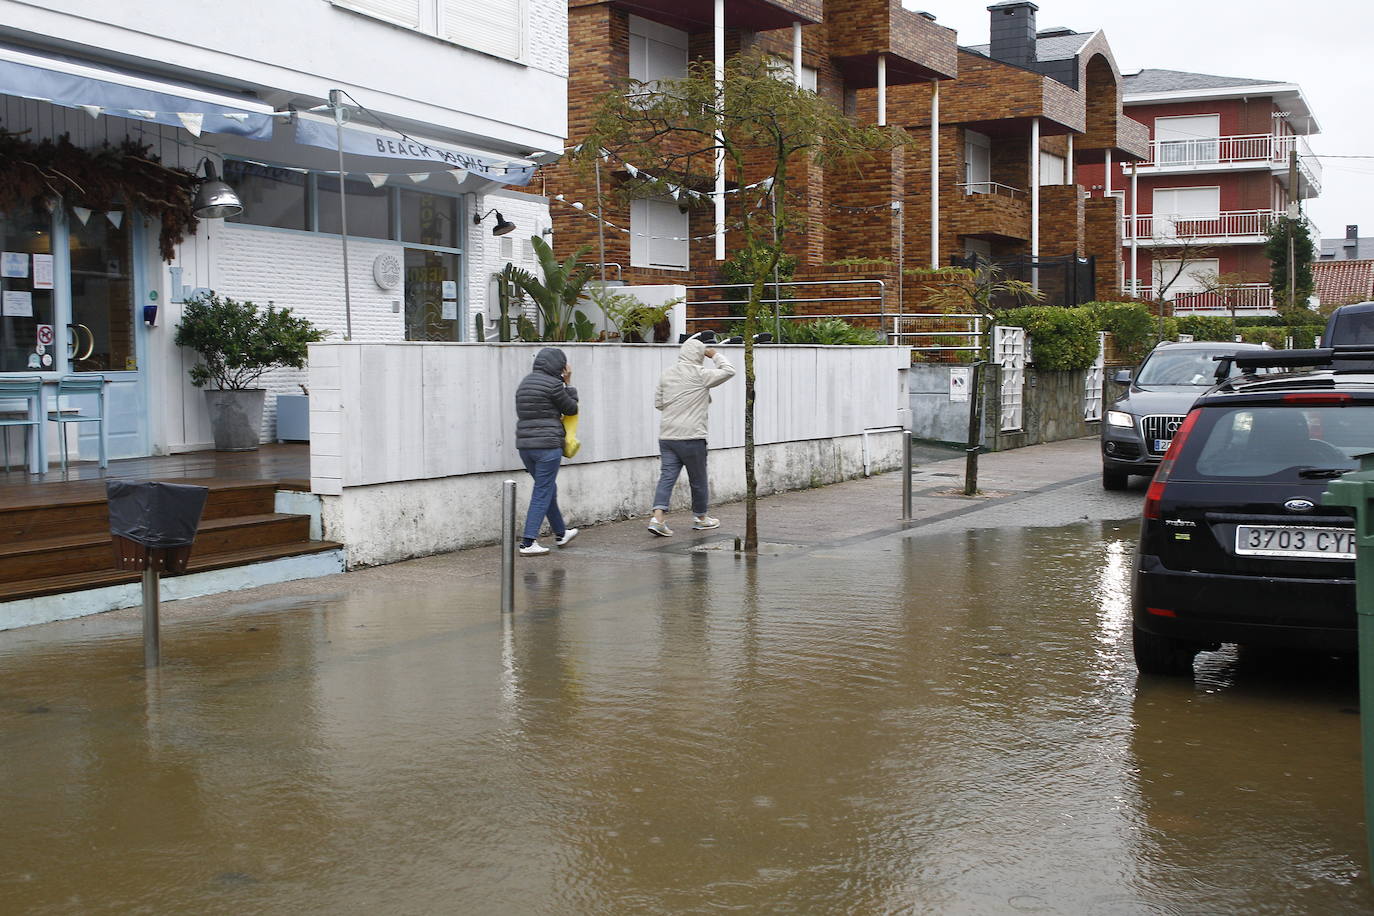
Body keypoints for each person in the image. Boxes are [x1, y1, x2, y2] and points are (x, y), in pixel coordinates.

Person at [648, 336, 736, 536]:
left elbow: (659, 404)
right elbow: (729, 371)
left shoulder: (666, 374)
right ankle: (701, 518)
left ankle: (658, 518)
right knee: (698, 479)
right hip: (692, 436)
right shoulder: (700, 374)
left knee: (667, 477)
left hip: (667, 436)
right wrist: (714, 354)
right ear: (699, 355)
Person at [514, 347, 579, 556]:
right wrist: (568, 383)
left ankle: (561, 533)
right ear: (558, 366)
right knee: (543, 491)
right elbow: (571, 408)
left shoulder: (524, 383)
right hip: (547, 446)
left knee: (547, 488)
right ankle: (528, 541)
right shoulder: (554, 385)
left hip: (525, 447)